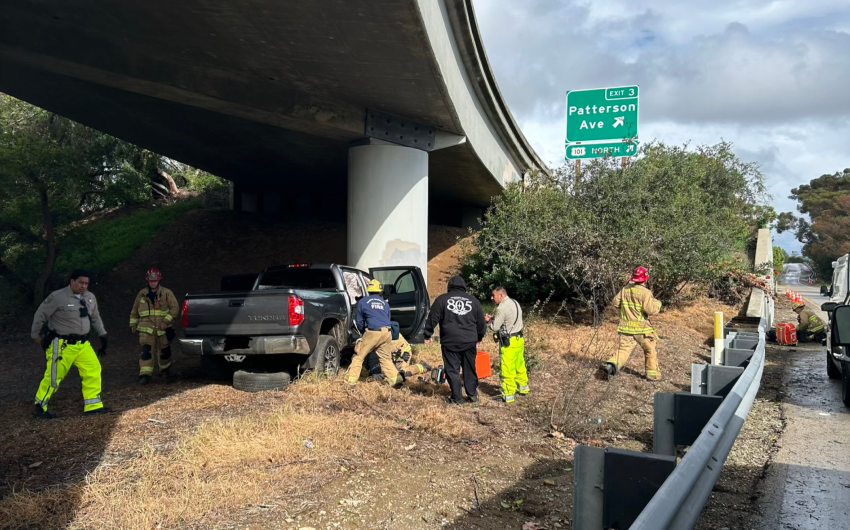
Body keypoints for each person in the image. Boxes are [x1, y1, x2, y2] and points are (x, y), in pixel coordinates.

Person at [30, 269, 110, 418]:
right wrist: (35, 335)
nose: (83, 286)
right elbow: (40, 315)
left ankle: (93, 405)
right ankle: (40, 407)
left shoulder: (90, 298)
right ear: (72, 281)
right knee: (54, 376)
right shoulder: (57, 297)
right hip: (61, 344)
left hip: (83, 344)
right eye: (80, 282)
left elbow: (95, 318)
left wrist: (102, 335)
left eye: (86, 283)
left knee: (93, 369)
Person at [424, 276, 486, 404]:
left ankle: (457, 398)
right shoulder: (473, 301)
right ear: (464, 287)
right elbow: (481, 323)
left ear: (449, 287)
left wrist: (427, 334)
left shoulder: (442, 299)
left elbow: (432, 318)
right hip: (469, 341)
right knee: (470, 368)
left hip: (450, 341)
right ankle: (472, 395)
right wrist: (479, 337)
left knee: (452, 369)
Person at [604, 266, 662, 381]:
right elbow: (651, 310)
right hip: (642, 329)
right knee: (650, 349)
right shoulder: (646, 293)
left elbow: (615, 303)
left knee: (624, 349)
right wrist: (658, 303)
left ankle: (611, 365)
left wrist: (625, 308)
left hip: (625, 327)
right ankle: (652, 375)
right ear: (646, 279)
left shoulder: (625, 289)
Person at [345, 279, 403, 388]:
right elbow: (388, 318)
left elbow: (359, 321)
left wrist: (363, 333)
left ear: (369, 291)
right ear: (380, 291)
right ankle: (396, 381)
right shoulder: (384, 303)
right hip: (387, 333)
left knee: (359, 356)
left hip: (373, 332)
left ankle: (350, 382)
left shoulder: (363, 302)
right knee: (385, 358)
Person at [129, 268, 180, 385]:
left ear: (159, 280)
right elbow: (135, 310)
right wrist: (133, 324)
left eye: (155, 281)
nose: (153, 283)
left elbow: (174, 309)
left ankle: (165, 371)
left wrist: (166, 322)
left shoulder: (167, 293)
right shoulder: (141, 294)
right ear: (147, 281)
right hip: (146, 330)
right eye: (151, 281)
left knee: (165, 351)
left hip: (163, 330)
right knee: (146, 351)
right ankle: (145, 375)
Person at [485, 286, 528, 403]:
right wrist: (495, 318)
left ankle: (508, 394)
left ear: (501, 295)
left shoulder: (501, 308)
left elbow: (495, 327)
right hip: (519, 339)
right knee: (519, 364)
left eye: (493, 295)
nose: (491, 298)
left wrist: (489, 321)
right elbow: (509, 319)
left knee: (507, 367)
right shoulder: (514, 302)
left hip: (508, 343)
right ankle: (523, 387)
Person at [364, 334, 432, 381]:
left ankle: (423, 366)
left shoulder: (381, 337)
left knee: (401, 373)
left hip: (403, 352)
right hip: (392, 353)